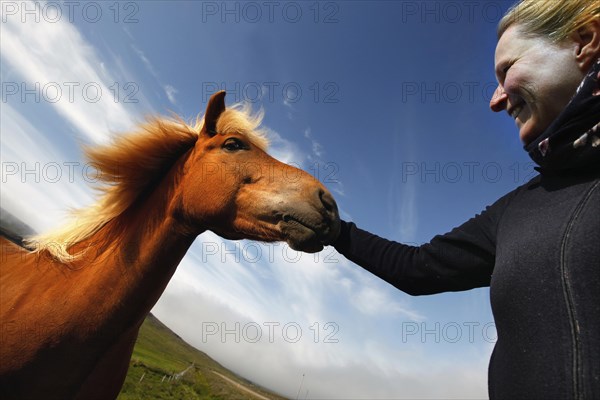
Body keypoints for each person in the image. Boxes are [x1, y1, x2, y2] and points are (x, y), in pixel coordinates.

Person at [331, 0, 600, 398]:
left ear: (585, 40)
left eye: (506, 70)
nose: (495, 101)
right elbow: (418, 268)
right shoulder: (519, 207)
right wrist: (335, 230)